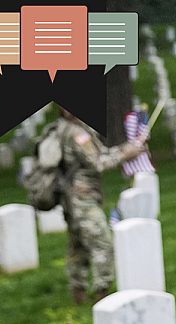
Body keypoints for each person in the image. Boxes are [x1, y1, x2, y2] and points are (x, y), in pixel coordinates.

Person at [45, 107, 147, 304]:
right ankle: (102, 292)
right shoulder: (77, 132)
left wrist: (124, 149)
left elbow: (99, 153)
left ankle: (78, 292)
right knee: (102, 243)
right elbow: (98, 162)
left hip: (71, 196)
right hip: (82, 197)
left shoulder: (62, 128)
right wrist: (125, 155)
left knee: (79, 245)